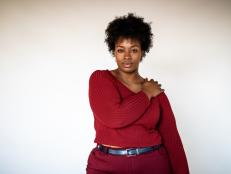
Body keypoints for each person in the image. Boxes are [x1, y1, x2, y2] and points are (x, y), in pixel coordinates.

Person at [86, 13, 189, 174]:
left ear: (142, 52)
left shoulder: (157, 92)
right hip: (107, 166)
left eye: (134, 50)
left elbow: (172, 140)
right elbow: (115, 117)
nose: (127, 56)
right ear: (114, 51)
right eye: (121, 50)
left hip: (153, 164)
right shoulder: (100, 79)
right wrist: (146, 93)